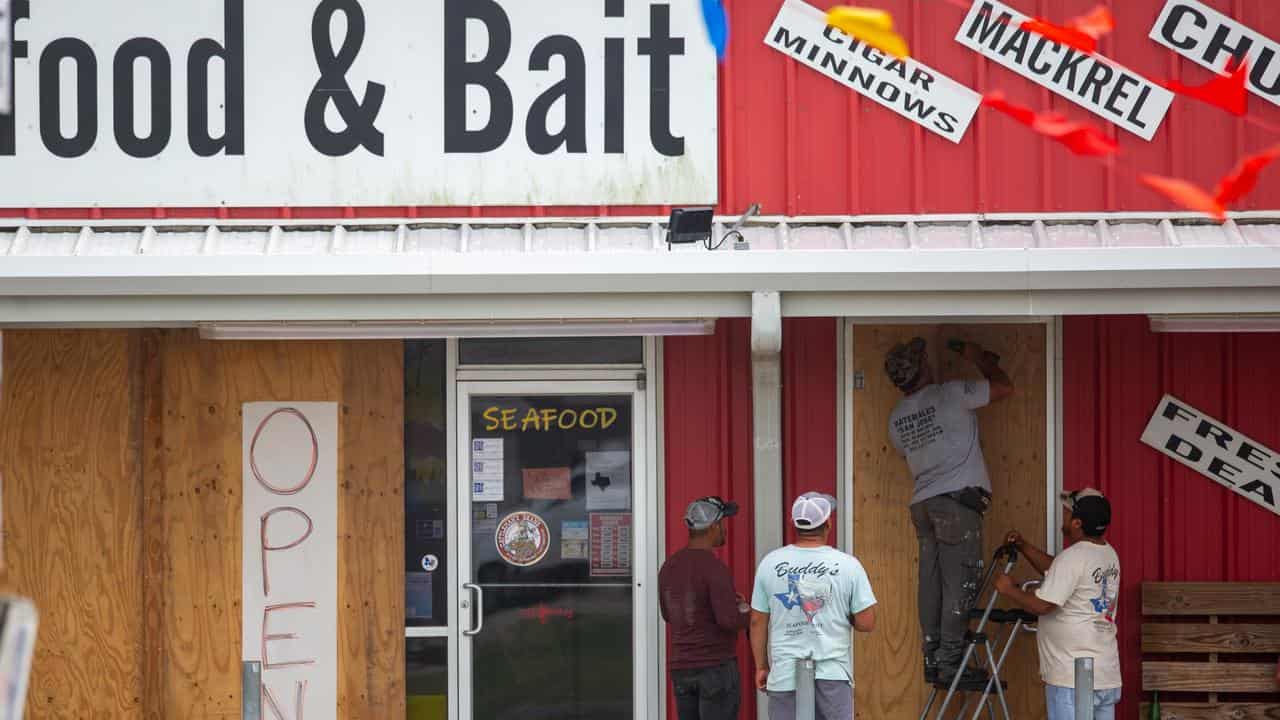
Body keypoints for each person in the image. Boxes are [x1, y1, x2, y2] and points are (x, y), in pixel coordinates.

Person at [884, 337, 1013, 685]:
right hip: (956, 505)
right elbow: (1003, 386)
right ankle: (951, 662)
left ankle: (932, 656)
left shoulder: (896, 419)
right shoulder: (950, 394)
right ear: (924, 367)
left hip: (923, 504)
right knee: (960, 581)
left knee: (931, 583)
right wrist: (978, 358)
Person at [994, 488, 1121, 720]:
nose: (1064, 516)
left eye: (1067, 513)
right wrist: (1024, 546)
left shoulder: (1073, 558)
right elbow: (1061, 570)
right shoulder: (1107, 554)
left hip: (1074, 677)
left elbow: (1043, 605)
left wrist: (1009, 590)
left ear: (1077, 523)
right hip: (1105, 674)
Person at [749, 492, 877, 720]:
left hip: (785, 674)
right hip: (833, 673)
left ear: (793, 524)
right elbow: (867, 622)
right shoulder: (848, 565)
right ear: (828, 523)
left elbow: (757, 620)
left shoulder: (770, 563)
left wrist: (762, 666)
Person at [659, 496, 750, 720]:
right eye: (723, 525)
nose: (724, 531)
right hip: (715, 668)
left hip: (682, 670)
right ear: (713, 526)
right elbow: (728, 620)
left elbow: (668, 614)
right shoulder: (714, 567)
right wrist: (746, 612)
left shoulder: (669, 566)